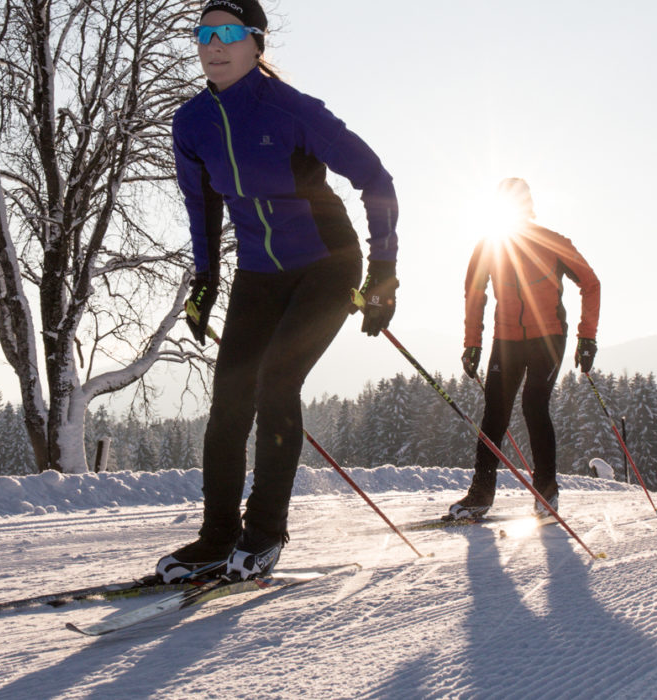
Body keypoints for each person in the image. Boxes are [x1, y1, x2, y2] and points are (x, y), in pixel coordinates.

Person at [158, 0, 400, 583]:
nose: (213, 46)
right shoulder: (192, 123)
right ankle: (217, 537)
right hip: (260, 271)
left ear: (256, 42)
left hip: (326, 263)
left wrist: (383, 272)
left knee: (276, 380)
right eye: (204, 35)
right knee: (230, 399)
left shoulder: (293, 111)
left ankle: (265, 532)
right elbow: (203, 209)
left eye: (228, 33)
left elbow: (376, 178)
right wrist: (205, 282)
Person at [451, 178, 599, 521]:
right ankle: (481, 494)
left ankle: (547, 493)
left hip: (549, 337)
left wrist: (586, 337)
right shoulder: (488, 246)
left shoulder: (552, 242)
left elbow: (591, 283)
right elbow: (474, 294)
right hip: (507, 338)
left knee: (534, 404)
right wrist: (472, 343)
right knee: (495, 413)